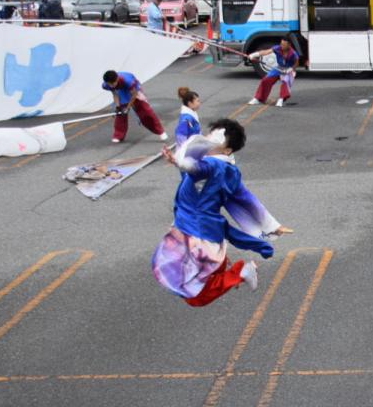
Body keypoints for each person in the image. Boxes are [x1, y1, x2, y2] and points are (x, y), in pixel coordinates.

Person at [154, 118, 293, 306]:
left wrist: (179, 162)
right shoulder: (229, 171)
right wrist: (272, 225)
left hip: (197, 235)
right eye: (211, 134)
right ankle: (231, 272)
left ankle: (241, 273)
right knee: (191, 279)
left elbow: (195, 168)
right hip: (200, 231)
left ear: (227, 150)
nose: (211, 139)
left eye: (218, 137)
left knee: (194, 295)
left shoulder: (214, 165)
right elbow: (247, 199)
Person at [102, 69, 168, 144]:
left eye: (112, 84)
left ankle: (160, 131)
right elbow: (115, 94)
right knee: (120, 114)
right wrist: (118, 107)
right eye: (109, 84)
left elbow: (134, 95)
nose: (111, 86)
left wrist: (127, 108)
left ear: (117, 79)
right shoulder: (106, 85)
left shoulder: (128, 81)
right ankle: (118, 135)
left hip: (133, 91)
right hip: (121, 92)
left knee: (145, 112)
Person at [247, 37, 300, 107]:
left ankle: (281, 99)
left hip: (288, 69)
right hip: (279, 68)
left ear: (289, 45)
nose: (282, 46)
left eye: (284, 45)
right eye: (281, 44)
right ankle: (257, 98)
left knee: (285, 81)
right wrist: (254, 54)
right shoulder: (277, 48)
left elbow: (297, 63)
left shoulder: (293, 53)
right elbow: (266, 52)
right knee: (265, 80)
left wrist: (292, 69)